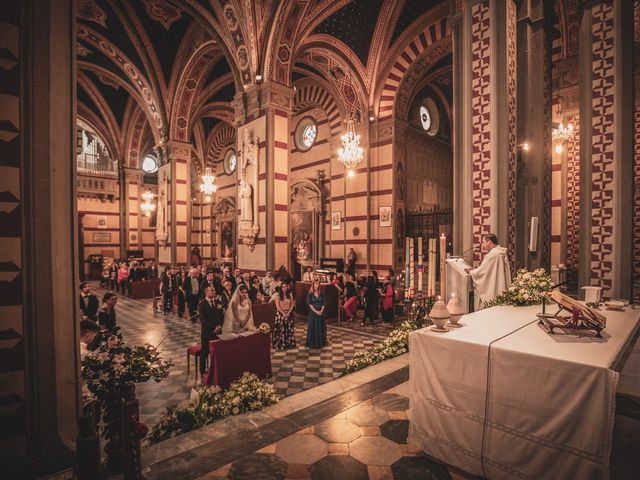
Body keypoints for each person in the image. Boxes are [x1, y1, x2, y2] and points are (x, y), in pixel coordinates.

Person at [464, 233, 511, 309]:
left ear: (489, 241)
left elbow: (482, 273)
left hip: (493, 289)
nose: (483, 245)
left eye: (483, 242)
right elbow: (486, 269)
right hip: (500, 285)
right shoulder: (500, 252)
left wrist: (471, 272)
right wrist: (475, 270)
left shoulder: (492, 255)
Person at [197, 286, 225, 376]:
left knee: (218, 351)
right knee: (205, 351)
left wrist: (220, 326)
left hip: (218, 331)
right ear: (206, 292)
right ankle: (203, 372)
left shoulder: (218, 302)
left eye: (214, 290)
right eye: (212, 291)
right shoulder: (202, 304)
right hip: (207, 332)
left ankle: (217, 369)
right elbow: (203, 320)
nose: (214, 292)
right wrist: (214, 328)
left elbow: (222, 316)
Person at [273, 281, 295, 350]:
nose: (284, 288)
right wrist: (283, 313)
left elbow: (292, 305)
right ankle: (281, 343)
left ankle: (289, 343)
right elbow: (277, 306)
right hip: (280, 313)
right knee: (281, 328)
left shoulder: (290, 295)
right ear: (281, 288)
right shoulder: (278, 296)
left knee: (289, 328)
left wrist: (288, 312)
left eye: (285, 286)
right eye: (283, 287)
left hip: (289, 312)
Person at [306, 280, 326, 349]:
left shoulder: (321, 293)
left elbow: (324, 303)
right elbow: (310, 304)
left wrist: (321, 310)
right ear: (313, 285)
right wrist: (316, 311)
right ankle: (312, 343)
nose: (317, 285)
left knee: (320, 326)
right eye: (316, 283)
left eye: (318, 283)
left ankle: (320, 343)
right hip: (313, 312)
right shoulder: (310, 293)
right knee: (313, 326)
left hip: (321, 312)